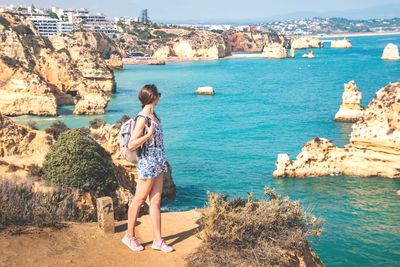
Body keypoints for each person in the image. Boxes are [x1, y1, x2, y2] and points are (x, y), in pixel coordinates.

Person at [121, 84, 174, 253]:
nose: (159, 96)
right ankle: (129, 236)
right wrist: (148, 135)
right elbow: (131, 143)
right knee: (139, 200)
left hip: (158, 163)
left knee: (156, 201)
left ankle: (158, 241)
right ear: (153, 97)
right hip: (148, 164)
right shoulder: (143, 118)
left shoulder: (154, 116)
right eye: (158, 94)